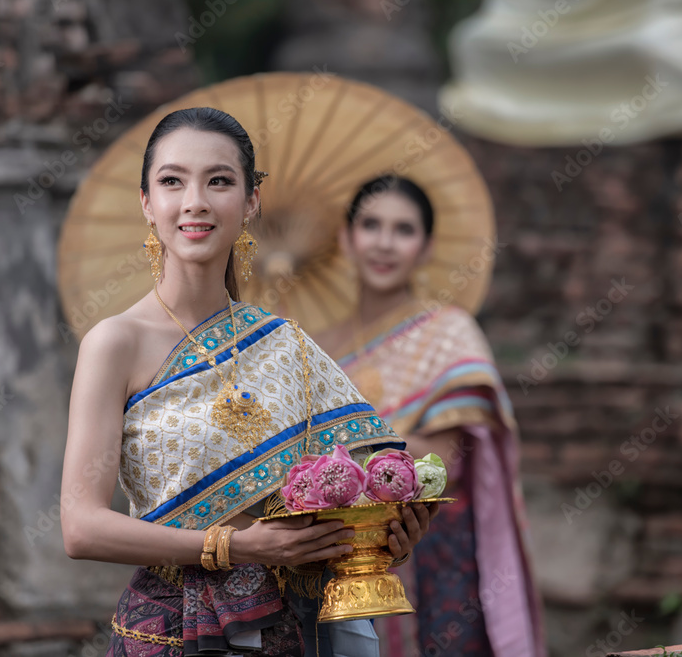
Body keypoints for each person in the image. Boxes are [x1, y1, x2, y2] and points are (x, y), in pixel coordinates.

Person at [60, 108, 437, 657]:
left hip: (296, 625)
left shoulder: (288, 345)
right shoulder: (114, 343)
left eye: (219, 181)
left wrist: (385, 536)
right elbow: (81, 527)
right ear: (146, 203)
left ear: (251, 201)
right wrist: (235, 546)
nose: (195, 201)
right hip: (176, 628)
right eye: (172, 181)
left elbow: (358, 489)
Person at [314, 175, 546, 657]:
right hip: (338, 553)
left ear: (426, 246)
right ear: (345, 237)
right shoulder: (317, 349)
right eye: (371, 225)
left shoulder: (449, 333)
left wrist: (348, 437)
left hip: (433, 547)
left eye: (403, 230)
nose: (384, 243)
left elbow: (445, 461)